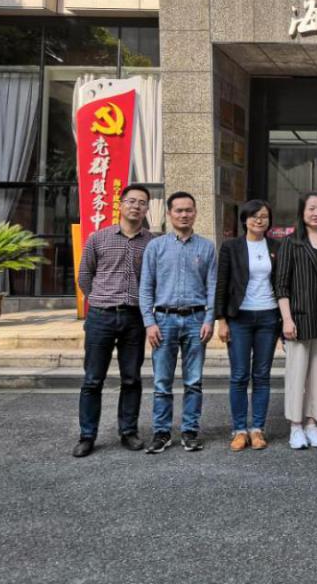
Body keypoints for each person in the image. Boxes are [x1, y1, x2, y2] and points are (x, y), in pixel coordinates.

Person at [73, 183, 155, 458]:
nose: (136, 206)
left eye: (142, 202)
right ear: (120, 204)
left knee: (131, 378)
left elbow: (155, 280)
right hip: (101, 316)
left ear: (147, 208)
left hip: (134, 317)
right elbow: (85, 275)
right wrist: (99, 299)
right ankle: (87, 436)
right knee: (92, 379)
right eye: (131, 201)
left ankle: (128, 431)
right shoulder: (98, 238)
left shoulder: (152, 242)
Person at [140, 192, 216, 454]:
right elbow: (146, 287)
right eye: (179, 210)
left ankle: (190, 431)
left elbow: (212, 286)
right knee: (162, 382)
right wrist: (149, 322)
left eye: (189, 210)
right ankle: (161, 432)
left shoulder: (207, 247)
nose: (184, 215)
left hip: (196, 320)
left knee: (194, 381)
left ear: (195, 212)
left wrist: (210, 319)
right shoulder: (156, 247)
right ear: (169, 214)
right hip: (163, 320)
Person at [214, 199, 281, 452]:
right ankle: (240, 429)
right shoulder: (231, 247)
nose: (259, 220)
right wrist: (221, 320)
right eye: (254, 216)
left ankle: (258, 429)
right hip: (239, 318)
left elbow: (282, 282)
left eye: (264, 216)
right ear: (244, 220)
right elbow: (222, 284)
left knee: (262, 376)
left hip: (268, 317)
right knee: (240, 375)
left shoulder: (276, 246)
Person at [275, 193, 317, 450]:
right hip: (300, 317)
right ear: (302, 212)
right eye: (311, 208)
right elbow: (281, 285)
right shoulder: (291, 243)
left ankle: (312, 424)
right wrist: (286, 319)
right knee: (296, 373)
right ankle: (295, 426)